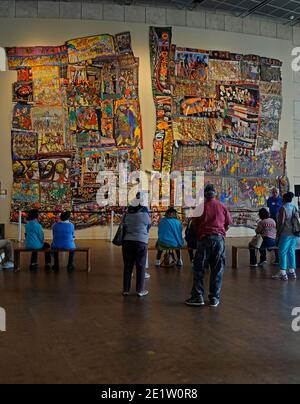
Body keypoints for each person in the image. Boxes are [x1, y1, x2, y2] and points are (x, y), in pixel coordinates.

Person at [185, 184, 232, 308]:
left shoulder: (200, 207)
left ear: (205, 195)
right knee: (217, 268)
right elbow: (227, 224)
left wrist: (202, 233)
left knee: (199, 268)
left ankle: (198, 296)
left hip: (204, 239)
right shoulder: (222, 206)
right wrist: (220, 233)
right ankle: (214, 298)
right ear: (215, 194)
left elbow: (194, 226)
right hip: (219, 239)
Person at [122, 203, 151, 297]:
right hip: (141, 241)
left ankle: (126, 290)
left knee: (127, 266)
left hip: (127, 241)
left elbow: (123, 226)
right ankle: (140, 290)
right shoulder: (144, 215)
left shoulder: (126, 215)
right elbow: (149, 225)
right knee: (141, 266)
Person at [273, 192, 299, 281]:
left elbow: (281, 223)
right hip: (294, 233)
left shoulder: (283, 208)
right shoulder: (294, 207)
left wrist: (278, 233)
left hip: (285, 233)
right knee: (291, 251)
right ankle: (292, 272)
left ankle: (283, 272)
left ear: (283, 199)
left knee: (282, 252)